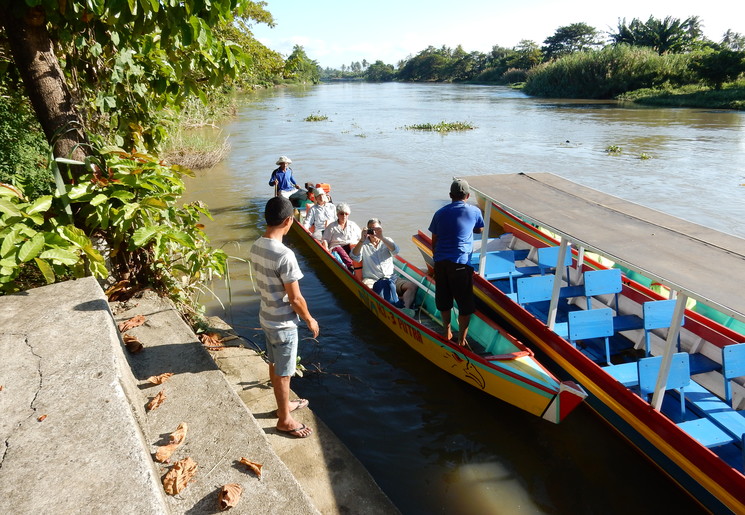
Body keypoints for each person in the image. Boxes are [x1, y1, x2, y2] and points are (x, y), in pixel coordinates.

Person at [249, 196, 320, 439]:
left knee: (274, 364)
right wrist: (310, 319)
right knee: (284, 371)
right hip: (283, 323)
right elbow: (296, 298)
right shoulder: (284, 255)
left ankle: (283, 405)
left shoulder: (257, 245)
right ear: (289, 221)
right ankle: (285, 420)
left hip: (266, 316)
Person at [428, 179, 484, 346]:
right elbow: (479, 229)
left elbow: (434, 240)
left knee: (444, 300)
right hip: (460, 262)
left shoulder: (439, 213)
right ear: (467, 195)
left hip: (441, 262)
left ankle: (447, 331)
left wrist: (436, 260)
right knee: (465, 305)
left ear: (450, 195)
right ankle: (461, 339)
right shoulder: (474, 211)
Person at [351, 218, 417, 310]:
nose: (374, 232)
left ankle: (405, 309)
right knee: (371, 292)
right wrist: (362, 240)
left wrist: (381, 237)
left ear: (381, 229)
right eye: (371, 229)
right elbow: (354, 256)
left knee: (412, 286)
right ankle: (392, 303)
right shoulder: (363, 243)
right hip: (372, 279)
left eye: (376, 229)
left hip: (391, 278)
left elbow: (395, 251)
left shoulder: (387, 240)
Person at [322, 202, 362, 273]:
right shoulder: (331, 226)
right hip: (337, 248)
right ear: (337, 214)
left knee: (357, 248)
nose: (344, 216)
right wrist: (326, 250)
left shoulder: (353, 225)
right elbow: (325, 239)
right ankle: (351, 266)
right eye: (341, 213)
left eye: (346, 214)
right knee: (338, 248)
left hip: (350, 247)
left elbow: (361, 237)